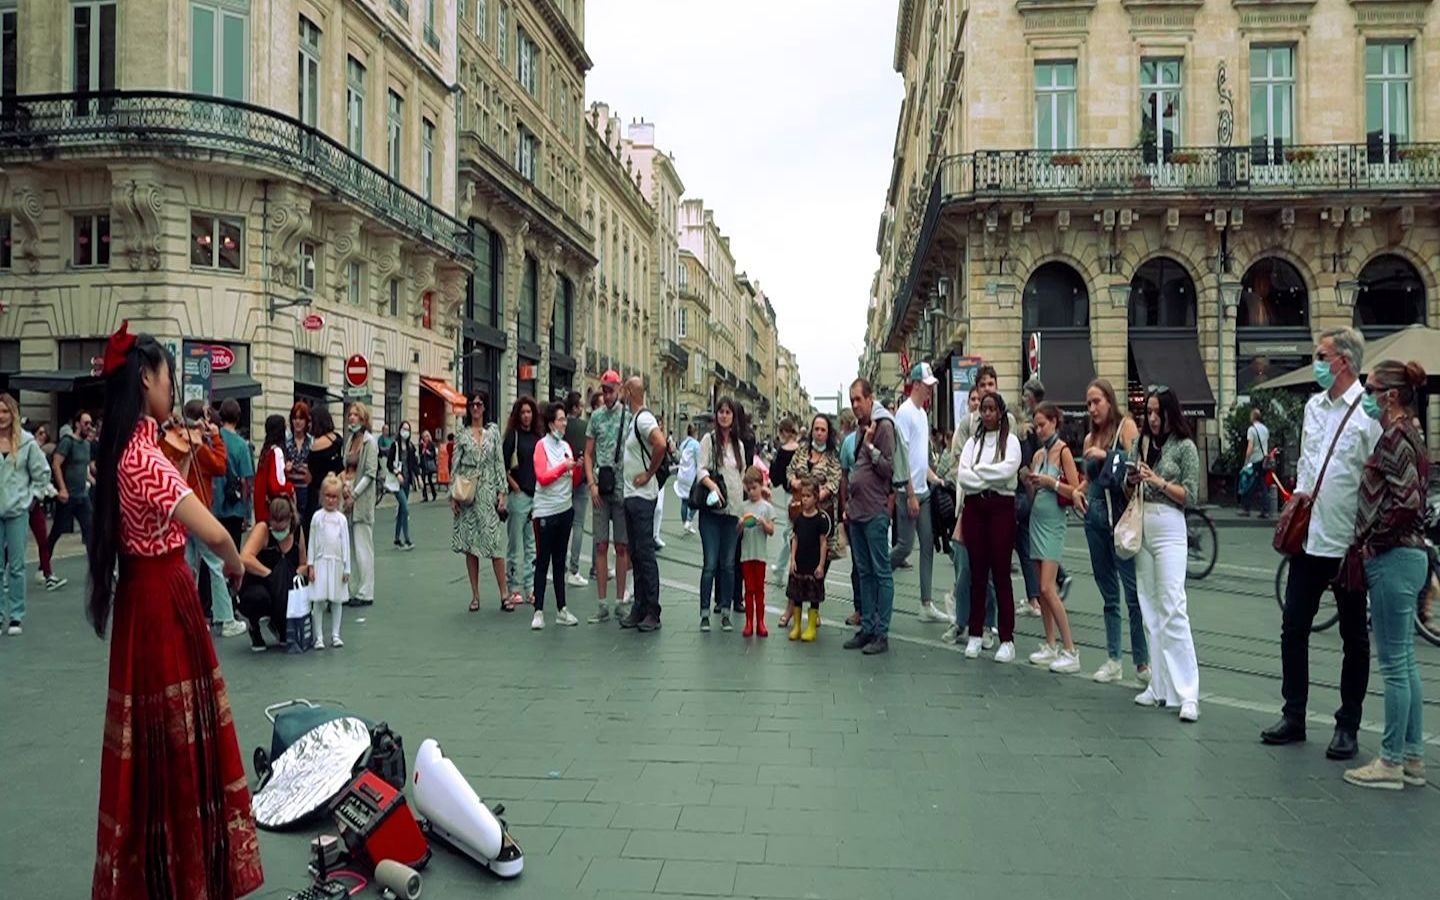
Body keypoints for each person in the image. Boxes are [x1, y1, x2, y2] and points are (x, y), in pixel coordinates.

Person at [85, 323, 262, 898]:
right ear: (146, 380)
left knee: (146, 739)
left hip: (142, 597)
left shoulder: (118, 451)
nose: (171, 387)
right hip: (165, 597)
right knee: (181, 740)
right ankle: (186, 872)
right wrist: (238, 561)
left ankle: (151, 865)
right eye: (165, 376)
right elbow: (210, 531)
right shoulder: (146, 457)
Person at [1262, 327, 1382, 757]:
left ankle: (1347, 725)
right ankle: (1294, 714)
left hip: (1348, 541)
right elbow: (1310, 463)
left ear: (1343, 362)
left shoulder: (1368, 412)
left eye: (1320, 355)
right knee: (1293, 625)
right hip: (1309, 536)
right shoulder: (1314, 407)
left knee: (1355, 636)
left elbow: (1378, 472)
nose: (1315, 362)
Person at [1342, 359, 1430, 790]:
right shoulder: (1413, 432)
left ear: (1390, 396)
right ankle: (1413, 758)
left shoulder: (1394, 436)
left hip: (1393, 557)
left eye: (1372, 389)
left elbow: (1408, 501)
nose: (1367, 396)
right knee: (1407, 662)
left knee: (1394, 665)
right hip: (1410, 556)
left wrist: (1374, 538)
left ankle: (1391, 761)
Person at [1130, 386, 1202, 722]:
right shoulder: (1141, 443)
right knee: (1150, 607)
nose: (1153, 419)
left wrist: (1157, 481)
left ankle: (1188, 694)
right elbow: (1127, 485)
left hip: (1171, 526)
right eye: (1150, 412)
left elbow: (1191, 495)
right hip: (1143, 524)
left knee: (1173, 605)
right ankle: (1158, 687)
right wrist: (1130, 478)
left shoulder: (1186, 447)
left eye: (1159, 412)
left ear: (1172, 412)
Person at [1077, 379, 1149, 684]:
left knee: (1133, 594)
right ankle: (1113, 659)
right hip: (1094, 519)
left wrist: (1108, 456)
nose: (1092, 408)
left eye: (1097, 401)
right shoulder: (1089, 439)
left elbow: (1138, 466)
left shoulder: (1126, 428)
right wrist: (1078, 491)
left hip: (1121, 520)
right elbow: (1088, 479)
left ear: (1110, 400)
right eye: (1089, 404)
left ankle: (1142, 663)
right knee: (1108, 593)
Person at [159, 398, 243, 638]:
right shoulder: (197, 445)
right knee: (215, 565)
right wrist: (215, 438)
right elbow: (220, 466)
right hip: (198, 509)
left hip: (181, 511)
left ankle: (185, 618)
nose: (210, 420)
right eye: (206, 416)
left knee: (187, 566)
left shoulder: (178, 442)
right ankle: (225, 618)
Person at [955, 391, 1022, 662]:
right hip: (976, 509)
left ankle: (1007, 638)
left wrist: (979, 472)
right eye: (984, 409)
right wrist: (988, 478)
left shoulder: (1012, 441)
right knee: (977, 573)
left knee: (1001, 573)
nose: (987, 413)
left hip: (1002, 509)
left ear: (1001, 412)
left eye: (992, 409)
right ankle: (975, 634)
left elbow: (1009, 470)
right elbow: (962, 475)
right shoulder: (973, 441)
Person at [1023, 402, 1082, 673]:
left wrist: (1051, 483)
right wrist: (1030, 482)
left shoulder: (1063, 452)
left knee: (1048, 587)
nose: (1039, 430)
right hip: (1037, 521)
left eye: (1043, 425)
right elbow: (1035, 495)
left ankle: (1070, 649)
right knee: (1041, 588)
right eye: (1036, 426)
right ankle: (1050, 643)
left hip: (1054, 525)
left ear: (1054, 423)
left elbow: (1075, 491)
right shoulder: (1038, 456)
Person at [890, 362, 948, 623]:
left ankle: (926, 604)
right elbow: (901, 457)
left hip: (923, 490)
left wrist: (934, 477)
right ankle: (871, 575)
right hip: (908, 492)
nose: (930, 391)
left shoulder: (923, 414)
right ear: (916, 385)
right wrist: (910, 493)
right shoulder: (904, 413)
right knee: (904, 547)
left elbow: (919, 456)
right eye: (928, 386)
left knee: (928, 545)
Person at [843, 378, 897, 655]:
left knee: (881, 572)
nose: (855, 405)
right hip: (857, 512)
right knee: (863, 572)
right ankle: (866, 627)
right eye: (851, 400)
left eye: (858, 400)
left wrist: (871, 447)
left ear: (870, 398)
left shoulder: (883, 426)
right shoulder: (863, 427)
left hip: (875, 511)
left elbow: (889, 468)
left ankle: (881, 633)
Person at [943, 386, 997, 646]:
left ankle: (987, 625)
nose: (979, 405)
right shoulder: (966, 427)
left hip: (992, 507)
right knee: (963, 568)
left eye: (983, 401)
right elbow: (959, 466)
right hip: (966, 506)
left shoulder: (1001, 427)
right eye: (974, 400)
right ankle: (961, 622)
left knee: (986, 572)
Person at [452, 391, 509, 613]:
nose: (475, 408)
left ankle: (504, 594)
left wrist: (502, 491)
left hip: (488, 491)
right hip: (468, 493)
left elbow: (498, 462)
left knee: (495, 543)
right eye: (472, 404)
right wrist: (452, 495)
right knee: (470, 546)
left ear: (485, 407)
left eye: (479, 404)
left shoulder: (492, 433)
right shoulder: (461, 434)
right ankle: (475, 595)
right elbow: (454, 466)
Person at [618, 376, 667, 632]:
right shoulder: (633, 419)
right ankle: (639, 606)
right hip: (631, 495)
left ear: (629, 392)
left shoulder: (644, 418)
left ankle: (652, 610)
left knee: (645, 553)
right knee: (635, 552)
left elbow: (661, 443)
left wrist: (648, 473)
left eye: (623, 390)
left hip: (642, 496)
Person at [783, 413, 843, 623]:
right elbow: (789, 471)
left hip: (821, 515)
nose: (819, 433)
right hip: (799, 512)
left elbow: (835, 482)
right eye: (816, 429)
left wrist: (817, 496)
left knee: (820, 562)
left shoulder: (832, 457)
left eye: (823, 430)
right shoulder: (801, 451)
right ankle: (791, 606)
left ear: (828, 433)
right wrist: (794, 482)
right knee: (797, 558)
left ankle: (814, 609)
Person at [0, 394, 52, 635]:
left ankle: (16, 616)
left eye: (5, 412)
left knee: (17, 566)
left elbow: (42, 473)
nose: (1, 417)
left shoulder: (27, 443)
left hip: (17, 510)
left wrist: (32, 498)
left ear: (14, 414)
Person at [695, 396, 748, 632]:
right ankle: (705, 612)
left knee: (728, 564)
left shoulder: (739, 445)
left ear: (733, 417)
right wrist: (712, 485)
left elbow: (743, 474)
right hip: (712, 509)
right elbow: (700, 469)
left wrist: (758, 492)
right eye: (721, 412)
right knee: (710, 563)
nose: (724, 415)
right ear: (716, 416)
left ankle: (726, 611)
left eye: (728, 412)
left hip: (733, 510)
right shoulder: (709, 440)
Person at [531, 401, 581, 629]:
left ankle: (562, 609)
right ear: (551, 423)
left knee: (560, 560)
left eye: (565, 419)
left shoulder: (566, 447)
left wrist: (576, 467)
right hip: (545, 511)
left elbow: (570, 477)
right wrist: (564, 467)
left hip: (564, 509)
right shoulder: (541, 446)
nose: (564, 423)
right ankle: (538, 611)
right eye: (561, 419)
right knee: (543, 560)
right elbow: (542, 476)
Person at [585, 371, 630, 622]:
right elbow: (588, 453)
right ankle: (602, 603)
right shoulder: (596, 417)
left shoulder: (629, 416)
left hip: (623, 490)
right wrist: (591, 484)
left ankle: (621, 600)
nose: (607, 394)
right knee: (601, 544)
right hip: (601, 489)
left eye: (611, 389)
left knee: (622, 547)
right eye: (604, 390)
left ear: (619, 388)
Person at [237, 496, 309, 652]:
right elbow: (245, 557)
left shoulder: (297, 531)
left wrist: (298, 573)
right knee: (259, 596)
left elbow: (303, 563)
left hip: (286, 584)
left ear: (290, 519)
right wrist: (269, 574)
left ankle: (281, 625)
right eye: (274, 528)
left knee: (287, 583)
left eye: (282, 529)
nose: (278, 532)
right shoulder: (263, 529)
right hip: (260, 584)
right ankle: (254, 628)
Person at [502, 396, 541, 607]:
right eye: (523, 412)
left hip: (535, 496)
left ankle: (531, 587)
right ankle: (513, 587)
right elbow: (502, 464)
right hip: (518, 496)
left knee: (531, 545)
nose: (527, 416)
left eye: (529, 412)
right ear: (518, 415)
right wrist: (513, 486)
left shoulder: (537, 437)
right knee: (515, 543)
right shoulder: (513, 437)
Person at [48, 408, 96, 568]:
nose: (89, 426)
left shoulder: (87, 445)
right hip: (68, 496)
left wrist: (94, 479)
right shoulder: (68, 442)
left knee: (90, 530)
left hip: (82, 496)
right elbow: (56, 464)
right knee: (57, 531)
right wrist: (62, 489)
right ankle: (44, 566)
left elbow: (85, 468)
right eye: (86, 423)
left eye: (90, 423)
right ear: (77, 424)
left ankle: (95, 567)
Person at [342, 403, 379, 607]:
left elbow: (370, 473)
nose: (352, 418)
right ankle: (352, 589)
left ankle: (366, 591)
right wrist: (344, 489)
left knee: (363, 546)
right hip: (346, 496)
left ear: (364, 419)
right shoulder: (350, 441)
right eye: (351, 415)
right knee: (350, 548)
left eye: (357, 415)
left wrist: (354, 495)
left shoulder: (369, 442)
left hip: (360, 501)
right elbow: (345, 467)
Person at [787, 476, 832, 643]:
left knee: (813, 596)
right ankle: (797, 624)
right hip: (800, 560)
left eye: (808, 496)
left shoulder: (820, 519)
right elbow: (795, 539)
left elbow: (823, 543)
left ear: (815, 497)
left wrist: (821, 564)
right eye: (802, 496)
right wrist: (793, 560)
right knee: (797, 594)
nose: (804, 500)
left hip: (813, 562)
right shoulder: (798, 518)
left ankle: (811, 625)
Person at [308, 473, 350, 649]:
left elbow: (346, 543)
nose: (331, 500)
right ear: (322, 496)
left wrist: (347, 567)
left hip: (337, 564)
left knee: (336, 600)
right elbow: (311, 541)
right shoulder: (317, 517)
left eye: (334, 497)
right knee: (318, 600)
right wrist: (310, 564)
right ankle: (318, 637)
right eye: (328, 496)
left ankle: (335, 634)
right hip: (320, 563)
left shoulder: (342, 519)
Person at [212, 398, 254, 555]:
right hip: (234, 508)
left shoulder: (212, 439)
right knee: (232, 553)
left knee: (214, 555)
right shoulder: (242, 445)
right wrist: (246, 514)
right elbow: (246, 481)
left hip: (214, 505)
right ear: (238, 417)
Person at [737, 465, 775, 638]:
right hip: (746, 554)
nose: (752, 492)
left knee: (759, 589)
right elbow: (737, 531)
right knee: (749, 589)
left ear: (762, 486)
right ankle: (749, 622)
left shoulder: (767, 507)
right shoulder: (743, 507)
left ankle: (760, 621)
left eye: (755, 488)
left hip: (760, 555)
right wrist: (741, 524)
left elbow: (772, 530)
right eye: (749, 488)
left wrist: (764, 524)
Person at [562, 391, 592, 585]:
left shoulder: (561, 427)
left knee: (562, 523)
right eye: (580, 406)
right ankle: (574, 568)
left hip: (562, 479)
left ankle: (560, 564)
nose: (582, 409)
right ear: (575, 408)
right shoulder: (584, 427)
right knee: (578, 524)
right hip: (580, 479)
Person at [768, 418, 801, 582]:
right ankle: (780, 567)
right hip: (805, 495)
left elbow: (776, 478)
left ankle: (794, 566)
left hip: (791, 496)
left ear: (784, 432)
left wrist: (772, 462)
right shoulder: (802, 449)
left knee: (789, 533)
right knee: (792, 532)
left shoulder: (783, 451)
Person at [302, 405, 343, 530]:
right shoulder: (337, 439)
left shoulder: (317, 445)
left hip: (318, 494)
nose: (308, 425)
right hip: (335, 490)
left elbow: (309, 476)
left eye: (310, 421)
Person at [253, 414, 294, 525]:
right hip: (272, 512)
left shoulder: (265, 450)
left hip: (261, 507)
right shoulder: (277, 451)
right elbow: (276, 486)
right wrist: (290, 488)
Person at [386, 420, 420, 550]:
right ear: (400, 430)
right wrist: (397, 473)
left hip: (406, 483)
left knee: (401, 510)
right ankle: (407, 539)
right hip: (397, 483)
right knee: (405, 508)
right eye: (404, 429)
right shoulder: (395, 446)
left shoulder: (411, 447)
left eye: (408, 429)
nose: (405, 431)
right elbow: (389, 464)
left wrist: (418, 477)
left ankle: (396, 539)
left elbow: (414, 464)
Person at [285, 401, 314, 539]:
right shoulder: (286, 440)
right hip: (290, 488)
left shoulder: (312, 441)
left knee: (305, 525)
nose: (297, 422)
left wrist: (310, 470)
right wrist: (286, 467)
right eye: (295, 418)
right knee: (291, 524)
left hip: (306, 489)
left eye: (301, 418)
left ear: (306, 421)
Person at [1239, 407, 1272, 517]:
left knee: (1248, 483)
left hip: (1255, 459)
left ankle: (1247, 508)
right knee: (1260, 483)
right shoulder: (1265, 429)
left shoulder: (1252, 430)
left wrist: (1246, 460)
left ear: (1253, 417)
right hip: (1264, 459)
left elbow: (1250, 446)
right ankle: (1265, 509)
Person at [675, 423, 702, 536]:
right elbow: (698, 461)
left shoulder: (683, 444)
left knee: (684, 501)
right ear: (695, 433)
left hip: (682, 475)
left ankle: (684, 523)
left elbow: (679, 457)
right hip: (691, 475)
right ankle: (689, 520)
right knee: (697, 500)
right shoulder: (696, 444)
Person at [419, 429, 440, 501]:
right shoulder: (421, 445)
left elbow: (433, 455)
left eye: (426, 436)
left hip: (429, 464)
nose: (425, 438)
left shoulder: (431, 444)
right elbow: (420, 454)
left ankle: (434, 494)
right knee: (423, 480)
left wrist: (428, 452)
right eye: (424, 437)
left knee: (430, 480)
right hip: (424, 464)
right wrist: (423, 450)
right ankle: (425, 496)